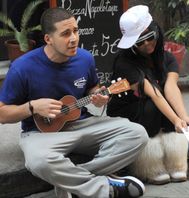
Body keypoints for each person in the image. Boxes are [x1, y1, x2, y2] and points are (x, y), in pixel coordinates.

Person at [0, 7, 149, 198]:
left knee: (137, 134)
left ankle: (71, 181)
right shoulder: (22, 67)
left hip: (82, 124)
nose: (74, 38)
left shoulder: (84, 58)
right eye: (65, 33)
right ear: (48, 39)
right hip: (40, 133)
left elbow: (92, 88)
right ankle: (105, 188)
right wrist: (32, 107)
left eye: (76, 31)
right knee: (38, 161)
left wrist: (100, 95)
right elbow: (2, 114)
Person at [107, 5, 189, 185]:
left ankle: (175, 161)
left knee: (170, 106)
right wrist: (175, 119)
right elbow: (153, 93)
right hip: (128, 111)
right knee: (151, 106)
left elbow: (171, 87)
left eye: (150, 37)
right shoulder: (124, 62)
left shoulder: (168, 58)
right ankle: (149, 165)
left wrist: (183, 117)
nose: (147, 44)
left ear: (157, 31)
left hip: (155, 105)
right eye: (139, 42)